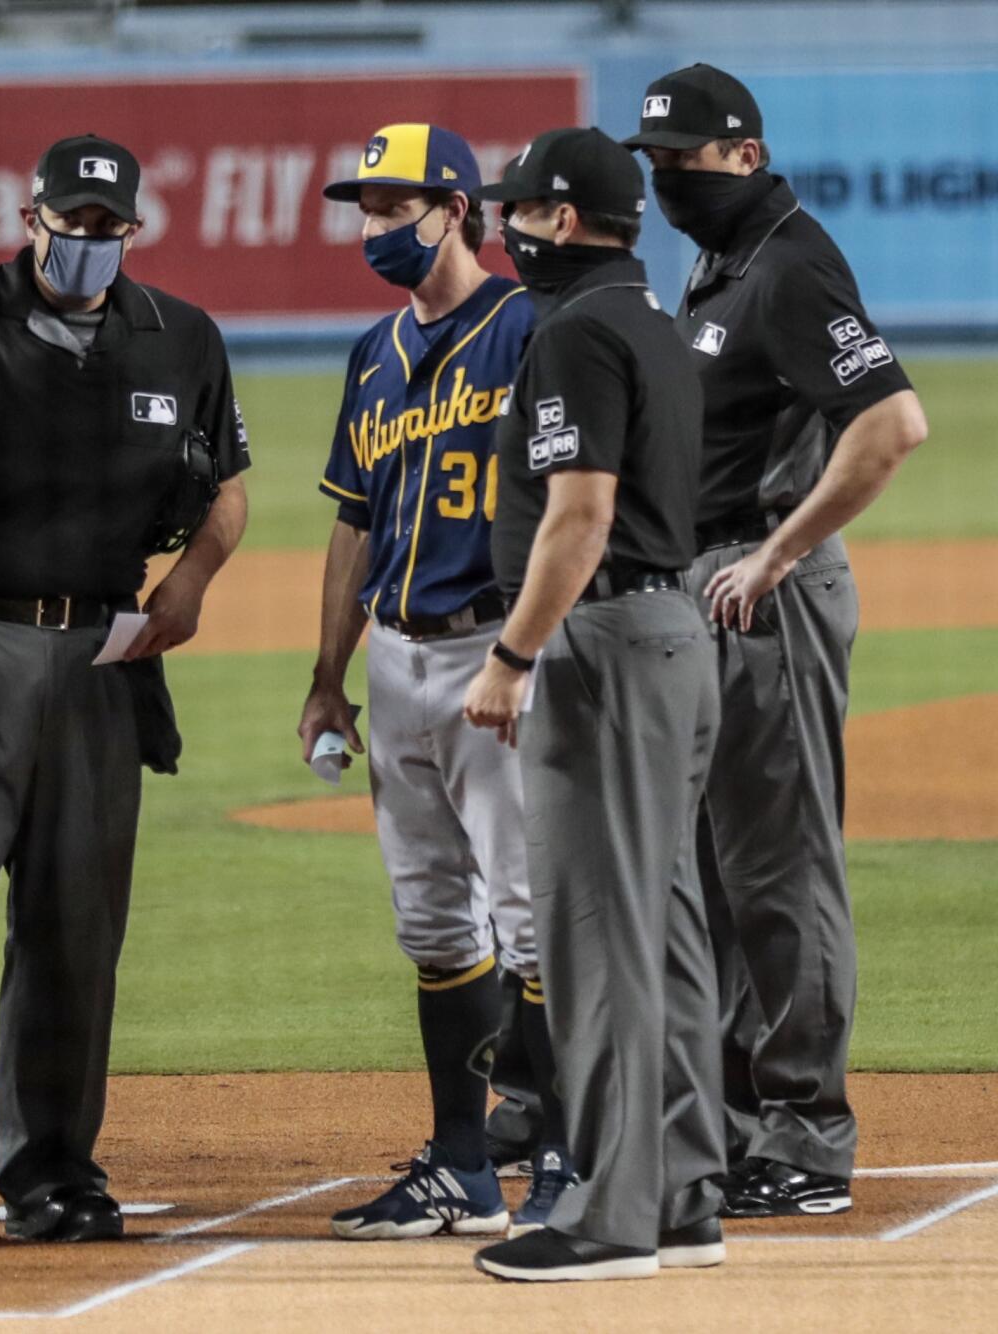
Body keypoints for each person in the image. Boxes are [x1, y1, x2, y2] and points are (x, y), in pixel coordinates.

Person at [0, 133, 250, 1256]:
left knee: (74, 928)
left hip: (103, 657)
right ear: (29, 218)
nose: (83, 243)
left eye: (104, 228)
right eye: (66, 224)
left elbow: (227, 486)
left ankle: (54, 1169)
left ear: (131, 232)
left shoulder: (182, 338)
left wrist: (195, 578)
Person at [625, 64, 928, 1218]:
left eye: (681, 162)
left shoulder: (790, 263)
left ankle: (804, 1133)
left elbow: (892, 423)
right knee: (713, 863)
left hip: (764, 588)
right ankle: (740, 1116)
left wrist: (777, 552)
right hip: (709, 584)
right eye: (651, 163)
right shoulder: (724, 262)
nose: (664, 181)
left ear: (742, 155)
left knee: (777, 864)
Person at [462, 127, 724, 1282]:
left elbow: (577, 514)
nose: (504, 229)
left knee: (599, 938)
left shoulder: (572, 331)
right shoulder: (652, 320)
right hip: (669, 638)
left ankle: (613, 1214)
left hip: (603, 644)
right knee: (662, 926)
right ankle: (680, 1192)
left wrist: (511, 656)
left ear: (561, 220)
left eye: (517, 211)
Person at [303, 123, 569, 1242]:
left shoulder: (528, 330)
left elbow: (575, 500)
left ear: (456, 208)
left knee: (528, 913)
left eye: (392, 206)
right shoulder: (371, 352)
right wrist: (326, 674)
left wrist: (526, 649)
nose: (372, 228)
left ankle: (565, 1156)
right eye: (362, 209)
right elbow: (352, 523)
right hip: (396, 658)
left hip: (493, 654)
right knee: (430, 919)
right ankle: (461, 1163)